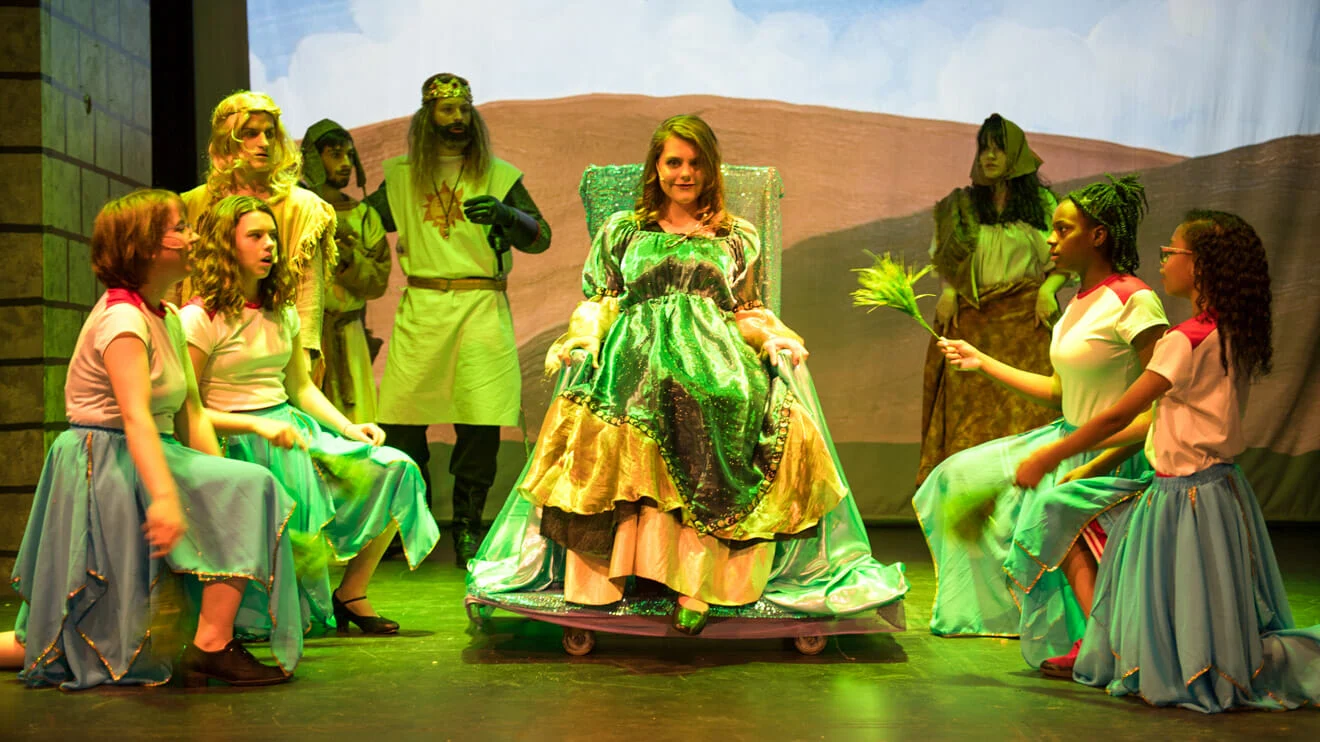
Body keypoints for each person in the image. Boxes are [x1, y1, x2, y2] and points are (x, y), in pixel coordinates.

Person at [472, 114, 908, 634]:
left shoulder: (735, 235)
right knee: (620, 416)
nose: (685, 173)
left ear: (711, 168)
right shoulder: (624, 231)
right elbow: (603, 298)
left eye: (696, 163)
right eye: (674, 162)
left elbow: (745, 309)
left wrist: (772, 337)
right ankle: (610, 577)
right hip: (635, 356)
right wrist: (583, 337)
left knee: (727, 407)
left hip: (714, 356)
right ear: (656, 167)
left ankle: (697, 584)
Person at [1014, 211, 1320, 710]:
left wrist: (1050, 454)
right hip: (1221, 490)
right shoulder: (1229, 331)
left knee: (1179, 588)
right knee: (1201, 596)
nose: (1162, 261)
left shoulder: (1184, 340)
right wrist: (1086, 464)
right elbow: (1158, 419)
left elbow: (1119, 415)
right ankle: (1170, 657)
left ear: (1199, 265)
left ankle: (1167, 665)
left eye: (1170, 252)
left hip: (1184, 496)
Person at [7, 190, 301, 688]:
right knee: (67, 641)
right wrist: (165, 498)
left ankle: (212, 642)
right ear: (144, 247)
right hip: (105, 458)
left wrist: (218, 490)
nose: (193, 238)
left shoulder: (164, 314)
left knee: (247, 486)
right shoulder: (122, 320)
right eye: (179, 228)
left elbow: (191, 412)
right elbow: (136, 416)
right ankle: (211, 646)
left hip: (147, 450)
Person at [914, 174, 1168, 666]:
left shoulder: (1134, 300)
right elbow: (1060, 391)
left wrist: (1088, 457)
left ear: (1098, 236)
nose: (1050, 239)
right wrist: (982, 361)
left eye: (1063, 229)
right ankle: (1040, 622)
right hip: (1068, 437)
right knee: (956, 475)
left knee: (1053, 525)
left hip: (1112, 455)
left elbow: (1161, 400)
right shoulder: (1077, 303)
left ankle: (1097, 641)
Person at [180, 195, 439, 634]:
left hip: (290, 431)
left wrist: (347, 427)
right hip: (230, 442)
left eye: (272, 236)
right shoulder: (199, 317)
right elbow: (188, 409)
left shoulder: (281, 311)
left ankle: (352, 593)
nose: (269, 245)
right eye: (255, 236)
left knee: (397, 468)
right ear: (225, 245)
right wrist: (254, 426)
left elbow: (300, 387)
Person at [364, 73, 551, 568]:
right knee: (403, 424)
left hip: (479, 306)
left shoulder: (498, 176)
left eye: (464, 109)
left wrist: (508, 217)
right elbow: (362, 222)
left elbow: (541, 237)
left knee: (478, 422)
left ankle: (468, 525)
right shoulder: (402, 178)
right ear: (428, 117)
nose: (458, 119)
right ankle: (415, 522)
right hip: (423, 308)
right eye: (447, 110)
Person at [918, 114, 1067, 485]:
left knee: (1026, 415)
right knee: (970, 420)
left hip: (1024, 328)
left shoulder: (1043, 205)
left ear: (1015, 154)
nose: (989, 156)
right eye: (984, 148)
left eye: (998, 149)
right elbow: (947, 257)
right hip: (974, 322)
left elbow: (1066, 258)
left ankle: (1027, 495)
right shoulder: (963, 205)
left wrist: (1048, 290)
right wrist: (949, 290)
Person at [177, 91, 337, 372]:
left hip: (274, 356)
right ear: (228, 139)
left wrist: (304, 364)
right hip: (197, 349)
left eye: (269, 134)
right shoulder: (191, 205)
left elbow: (308, 300)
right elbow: (172, 285)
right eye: (250, 133)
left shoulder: (303, 208)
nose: (263, 143)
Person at [300, 119, 392, 423]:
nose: (345, 163)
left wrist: (348, 259)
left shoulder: (364, 216)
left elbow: (378, 281)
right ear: (314, 159)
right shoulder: (296, 211)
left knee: (358, 424)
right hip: (304, 338)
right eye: (335, 154)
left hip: (349, 338)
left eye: (349, 155)